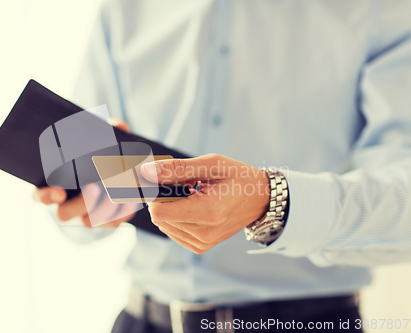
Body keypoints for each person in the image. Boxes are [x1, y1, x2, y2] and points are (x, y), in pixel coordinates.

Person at [33, 0, 411, 332]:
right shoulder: (124, 8)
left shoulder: (382, 9)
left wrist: (271, 202)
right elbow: (80, 205)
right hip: (142, 318)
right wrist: (91, 201)